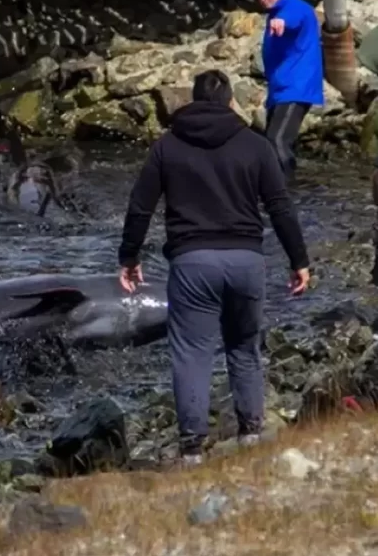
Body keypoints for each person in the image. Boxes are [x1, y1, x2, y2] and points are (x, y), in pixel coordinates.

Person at [118, 69, 311, 466]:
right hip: (246, 261)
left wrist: (129, 257)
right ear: (229, 102)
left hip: (193, 263)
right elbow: (280, 207)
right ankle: (252, 436)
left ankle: (191, 451)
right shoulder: (256, 146)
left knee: (192, 353)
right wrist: (299, 260)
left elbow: (140, 206)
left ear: (192, 99)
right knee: (245, 347)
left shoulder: (167, 147)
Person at [256, 0, 324, 178]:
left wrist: (282, 22)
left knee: (276, 141)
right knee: (269, 146)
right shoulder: (276, 11)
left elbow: (292, 18)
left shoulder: (294, 8)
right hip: (280, 88)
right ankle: (276, 190)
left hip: (296, 87)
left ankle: (288, 191)